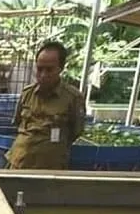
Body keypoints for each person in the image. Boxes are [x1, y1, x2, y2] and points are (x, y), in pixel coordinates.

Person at [5, 41, 86, 170]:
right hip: (19, 163)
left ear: (60, 69)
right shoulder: (27, 94)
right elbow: (17, 123)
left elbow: (76, 131)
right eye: (39, 69)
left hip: (50, 169)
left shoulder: (72, 98)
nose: (43, 75)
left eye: (49, 70)